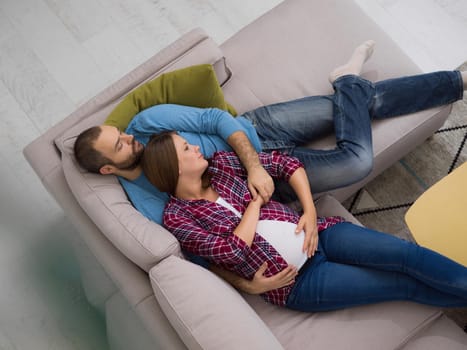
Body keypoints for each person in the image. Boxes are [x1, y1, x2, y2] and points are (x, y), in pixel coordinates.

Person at [74, 41, 467, 294]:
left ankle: (454, 83)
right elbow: (200, 248)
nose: (129, 137)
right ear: (109, 169)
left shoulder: (148, 122)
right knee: (356, 158)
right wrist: (246, 285)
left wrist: (254, 166)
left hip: (256, 131)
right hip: (259, 190)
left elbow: (215, 120)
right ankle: (348, 80)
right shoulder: (146, 200)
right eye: (120, 145)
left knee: (352, 109)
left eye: (119, 132)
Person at [141, 128, 467, 310]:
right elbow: (231, 252)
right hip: (300, 283)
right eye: (186, 149)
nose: (196, 147)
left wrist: (310, 212)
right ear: (174, 167)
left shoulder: (223, 166)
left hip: (321, 234)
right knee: (401, 285)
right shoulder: (177, 217)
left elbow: (286, 165)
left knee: (404, 254)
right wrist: (254, 204)